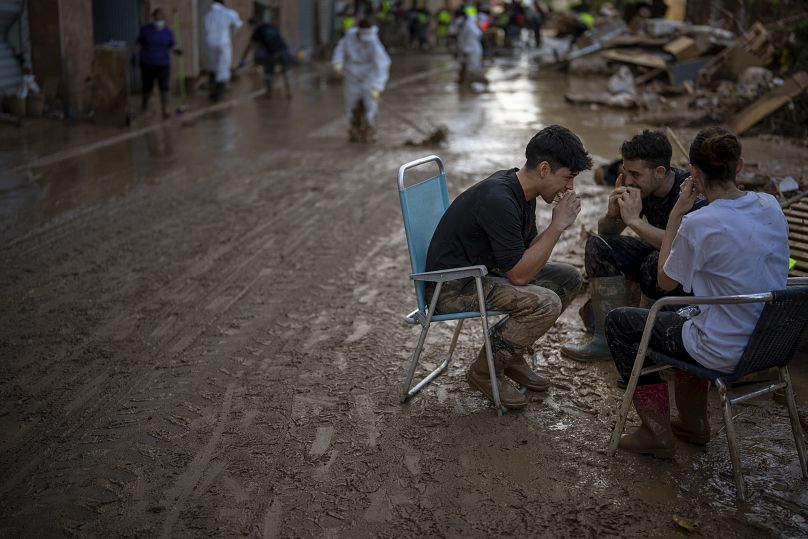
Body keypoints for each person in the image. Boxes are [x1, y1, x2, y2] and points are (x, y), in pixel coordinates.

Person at [605, 127, 789, 458]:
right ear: (740, 167)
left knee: (621, 323)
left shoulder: (699, 222)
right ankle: (693, 423)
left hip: (724, 348)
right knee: (678, 317)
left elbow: (664, 282)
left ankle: (655, 432)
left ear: (693, 172)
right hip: (771, 342)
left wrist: (676, 213)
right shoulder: (770, 204)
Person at [425, 125, 591, 409]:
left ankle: (509, 355)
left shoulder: (521, 192)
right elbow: (519, 274)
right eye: (568, 177)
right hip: (452, 287)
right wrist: (557, 226)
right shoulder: (500, 199)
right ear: (543, 169)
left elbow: (524, 256)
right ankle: (485, 371)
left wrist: (555, 227)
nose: (570, 187)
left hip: (483, 274)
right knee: (545, 303)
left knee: (569, 278)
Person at [561, 130, 700, 362]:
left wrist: (634, 222)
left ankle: (645, 344)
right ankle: (604, 340)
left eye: (635, 174)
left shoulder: (687, 192)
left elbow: (681, 246)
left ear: (660, 172)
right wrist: (613, 215)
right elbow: (607, 234)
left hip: (688, 273)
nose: (628, 181)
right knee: (598, 244)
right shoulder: (642, 187)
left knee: (654, 261)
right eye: (625, 172)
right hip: (658, 257)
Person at [331, 18, 391, 143]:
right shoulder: (349, 37)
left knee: (370, 103)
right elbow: (339, 51)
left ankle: (369, 128)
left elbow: (382, 64)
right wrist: (338, 64)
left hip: (369, 75)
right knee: (351, 103)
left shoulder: (374, 42)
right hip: (352, 74)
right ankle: (354, 129)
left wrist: (377, 86)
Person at [136, 8, 181, 119]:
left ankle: (165, 109)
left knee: (164, 87)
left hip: (163, 64)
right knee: (147, 87)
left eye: (161, 19)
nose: (159, 21)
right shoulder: (145, 30)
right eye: (157, 18)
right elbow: (138, 44)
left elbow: (172, 45)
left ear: (164, 20)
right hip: (147, 63)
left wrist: (177, 51)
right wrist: (134, 56)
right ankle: (145, 106)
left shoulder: (168, 32)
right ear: (153, 18)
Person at [239, 17, 292, 99]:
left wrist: (242, 60)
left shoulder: (257, 30)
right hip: (283, 49)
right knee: (286, 71)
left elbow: (249, 46)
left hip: (272, 53)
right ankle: (289, 92)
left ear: (252, 25)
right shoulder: (269, 25)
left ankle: (268, 92)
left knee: (268, 74)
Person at [205, 0, 242, 101]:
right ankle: (219, 92)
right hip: (223, 43)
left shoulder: (209, 15)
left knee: (213, 66)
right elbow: (238, 24)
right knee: (223, 66)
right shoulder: (229, 13)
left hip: (210, 43)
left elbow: (207, 28)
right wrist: (231, 29)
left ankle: (212, 91)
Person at [456, 6, 485, 85]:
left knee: (465, 64)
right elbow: (478, 33)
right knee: (471, 65)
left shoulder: (464, 24)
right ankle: (468, 80)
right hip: (471, 48)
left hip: (465, 47)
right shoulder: (470, 25)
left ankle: (466, 80)